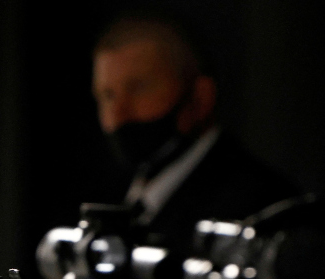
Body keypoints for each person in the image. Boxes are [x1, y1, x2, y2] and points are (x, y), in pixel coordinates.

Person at [91, 9, 301, 258]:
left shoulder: (261, 209)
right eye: (108, 95)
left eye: (139, 88)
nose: (118, 114)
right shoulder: (120, 198)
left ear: (201, 96)